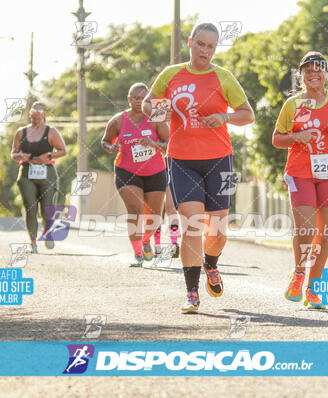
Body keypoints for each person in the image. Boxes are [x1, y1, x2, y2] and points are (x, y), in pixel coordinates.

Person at [142, 22, 255, 314]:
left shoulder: (223, 77)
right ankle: (191, 293)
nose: (205, 50)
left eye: (211, 46)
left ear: (215, 48)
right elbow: (147, 105)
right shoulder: (171, 74)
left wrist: (224, 117)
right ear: (190, 42)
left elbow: (248, 114)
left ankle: (211, 264)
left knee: (217, 230)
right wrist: (163, 111)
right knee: (192, 224)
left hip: (220, 160)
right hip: (181, 159)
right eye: (200, 44)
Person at [273, 51, 328, 309]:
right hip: (300, 171)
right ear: (301, 76)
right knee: (306, 229)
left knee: (324, 232)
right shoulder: (293, 105)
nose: (313, 74)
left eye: (318, 69)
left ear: (325, 74)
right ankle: (299, 272)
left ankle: (313, 288)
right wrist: (296, 138)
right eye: (308, 70)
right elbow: (277, 139)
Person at [102, 82, 169, 267]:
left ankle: (147, 239)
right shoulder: (118, 120)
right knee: (134, 209)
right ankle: (138, 253)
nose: (140, 102)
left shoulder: (157, 117)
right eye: (136, 98)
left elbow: (169, 144)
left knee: (154, 216)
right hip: (127, 171)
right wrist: (111, 147)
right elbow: (105, 141)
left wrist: (154, 144)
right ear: (129, 100)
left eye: (144, 98)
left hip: (155, 171)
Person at [11, 102, 66, 254]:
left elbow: (63, 151)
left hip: (47, 172)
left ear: (44, 116)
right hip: (27, 172)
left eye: (38, 116)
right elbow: (13, 153)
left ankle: (48, 232)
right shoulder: (21, 133)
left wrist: (49, 155)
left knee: (47, 208)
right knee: (30, 206)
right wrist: (21, 156)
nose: (35, 118)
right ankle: (33, 242)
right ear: (29, 115)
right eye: (33, 116)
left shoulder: (51, 132)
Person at [154, 187, 180, 259]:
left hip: (157, 178)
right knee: (171, 211)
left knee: (156, 212)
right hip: (172, 178)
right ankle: (174, 244)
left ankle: (157, 247)